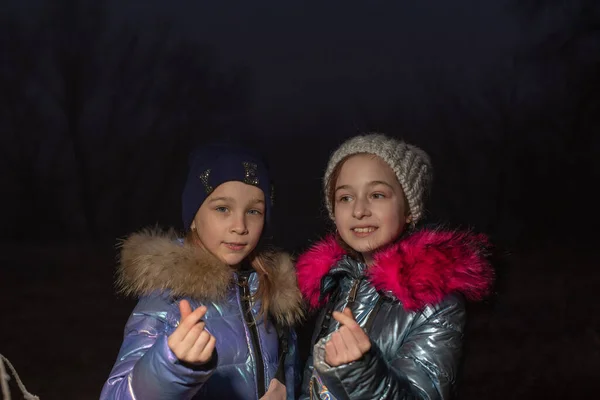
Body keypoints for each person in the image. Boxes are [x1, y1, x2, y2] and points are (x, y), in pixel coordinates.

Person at [296, 133, 495, 399]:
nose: (358, 211)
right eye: (345, 198)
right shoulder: (335, 285)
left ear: (409, 210)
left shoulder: (436, 303)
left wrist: (360, 370)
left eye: (377, 195)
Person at [100, 144, 304, 400]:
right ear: (194, 218)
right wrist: (173, 368)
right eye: (222, 209)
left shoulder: (273, 293)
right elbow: (115, 395)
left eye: (253, 211)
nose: (240, 226)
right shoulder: (168, 298)